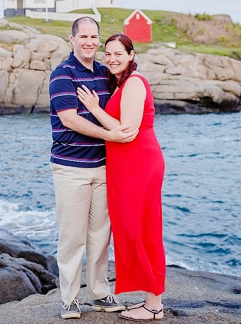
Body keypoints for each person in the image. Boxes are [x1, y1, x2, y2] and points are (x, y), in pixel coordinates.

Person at [49, 17, 137, 319]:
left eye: (94, 36)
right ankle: (69, 299)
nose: (89, 41)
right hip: (70, 168)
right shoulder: (62, 74)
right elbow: (69, 119)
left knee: (101, 236)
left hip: (103, 167)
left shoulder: (104, 72)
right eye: (83, 36)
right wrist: (110, 135)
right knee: (73, 236)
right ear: (72, 39)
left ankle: (99, 294)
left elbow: (119, 110)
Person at [77, 33, 166, 321]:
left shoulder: (135, 84)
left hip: (139, 162)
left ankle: (154, 305)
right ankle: (150, 299)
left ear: (131, 55)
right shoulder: (121, 85)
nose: (112, 59)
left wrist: (94, 110)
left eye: (119, 53)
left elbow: (126, 131)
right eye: (108, 54)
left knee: (143, 230)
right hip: (127, 165)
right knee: (132, 229)